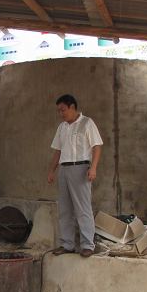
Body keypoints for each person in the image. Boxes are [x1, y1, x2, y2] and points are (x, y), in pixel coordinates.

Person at [46, 94, 102, 257]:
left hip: (80, 168)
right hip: (64, 169)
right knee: (65, 209)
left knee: (83, 208)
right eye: (58, 111)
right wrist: (52, 171)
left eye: (63, 110)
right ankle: (67, 244)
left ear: (72, 107)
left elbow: (97, 147)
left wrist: (93, 168)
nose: (61, 113)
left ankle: (87, 245)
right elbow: (58, 151)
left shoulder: (87, 123)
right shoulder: (62, 127)